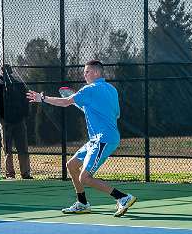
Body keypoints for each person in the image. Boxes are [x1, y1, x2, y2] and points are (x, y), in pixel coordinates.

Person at [26, 60, 136, 217]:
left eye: (87, 72)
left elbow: (65, 102)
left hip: (102, 139)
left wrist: (42, 98)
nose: (84, 75)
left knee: (85, 177)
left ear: (97, 73)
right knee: (71, 165)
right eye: (84, 72)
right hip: (97, 140)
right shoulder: (112, 90)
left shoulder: (89, 89)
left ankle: (123, 197)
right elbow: (116, 114)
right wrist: (89, 109)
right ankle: (82, 203)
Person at [0, 64, 33, 179]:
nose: (6, 74)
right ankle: (10, 174)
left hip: (18, 120)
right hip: (6, 121)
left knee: (22, 148)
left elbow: (26, 99)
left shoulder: (18, 84)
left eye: (7, 71)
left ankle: (25, 173)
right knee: (8, 148)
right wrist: (1, 117)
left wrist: (24, 115)